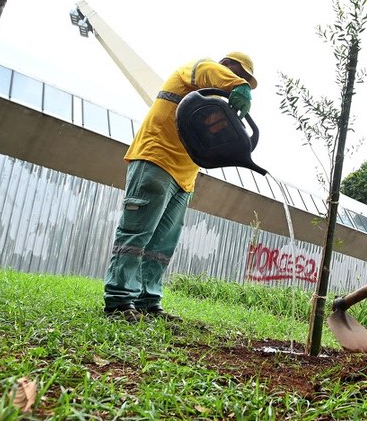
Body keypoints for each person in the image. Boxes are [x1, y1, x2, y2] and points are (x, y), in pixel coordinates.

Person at [103, 52, 257, 323]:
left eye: (243, 78)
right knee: (136, 233)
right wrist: (240, 87)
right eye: (238, 74)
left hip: (184, 177)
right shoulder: (198, 69)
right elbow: (211, 72)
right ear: (227, 66)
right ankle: (118, 300)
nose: (239, 80)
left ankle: (148, 301)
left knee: (161, 244)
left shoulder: (212, 106)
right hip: (155, 158)